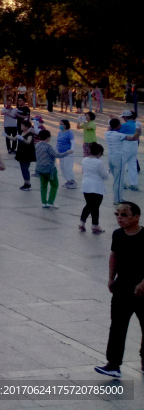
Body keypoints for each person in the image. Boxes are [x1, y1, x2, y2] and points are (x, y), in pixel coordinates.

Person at [95, 201, 144, 378]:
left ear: (136, 217)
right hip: (122, 287)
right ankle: (113, 364)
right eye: (117, 214)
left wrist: (143, 283)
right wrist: (110, 278)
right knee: (117, 326)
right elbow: (114, 255)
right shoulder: (118, 235)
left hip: (142, 290)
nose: (120, 218)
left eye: (124, 215)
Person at [80, 142, 108, 233]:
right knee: (95, 206)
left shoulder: (84, 160)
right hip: (96, 187)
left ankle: (82, 222)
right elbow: (104, 175)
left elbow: (83, 171)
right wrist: (108, 171)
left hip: (86, 185)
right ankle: (95, 225)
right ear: (99, 153)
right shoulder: (99, 162)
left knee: (89, 205)